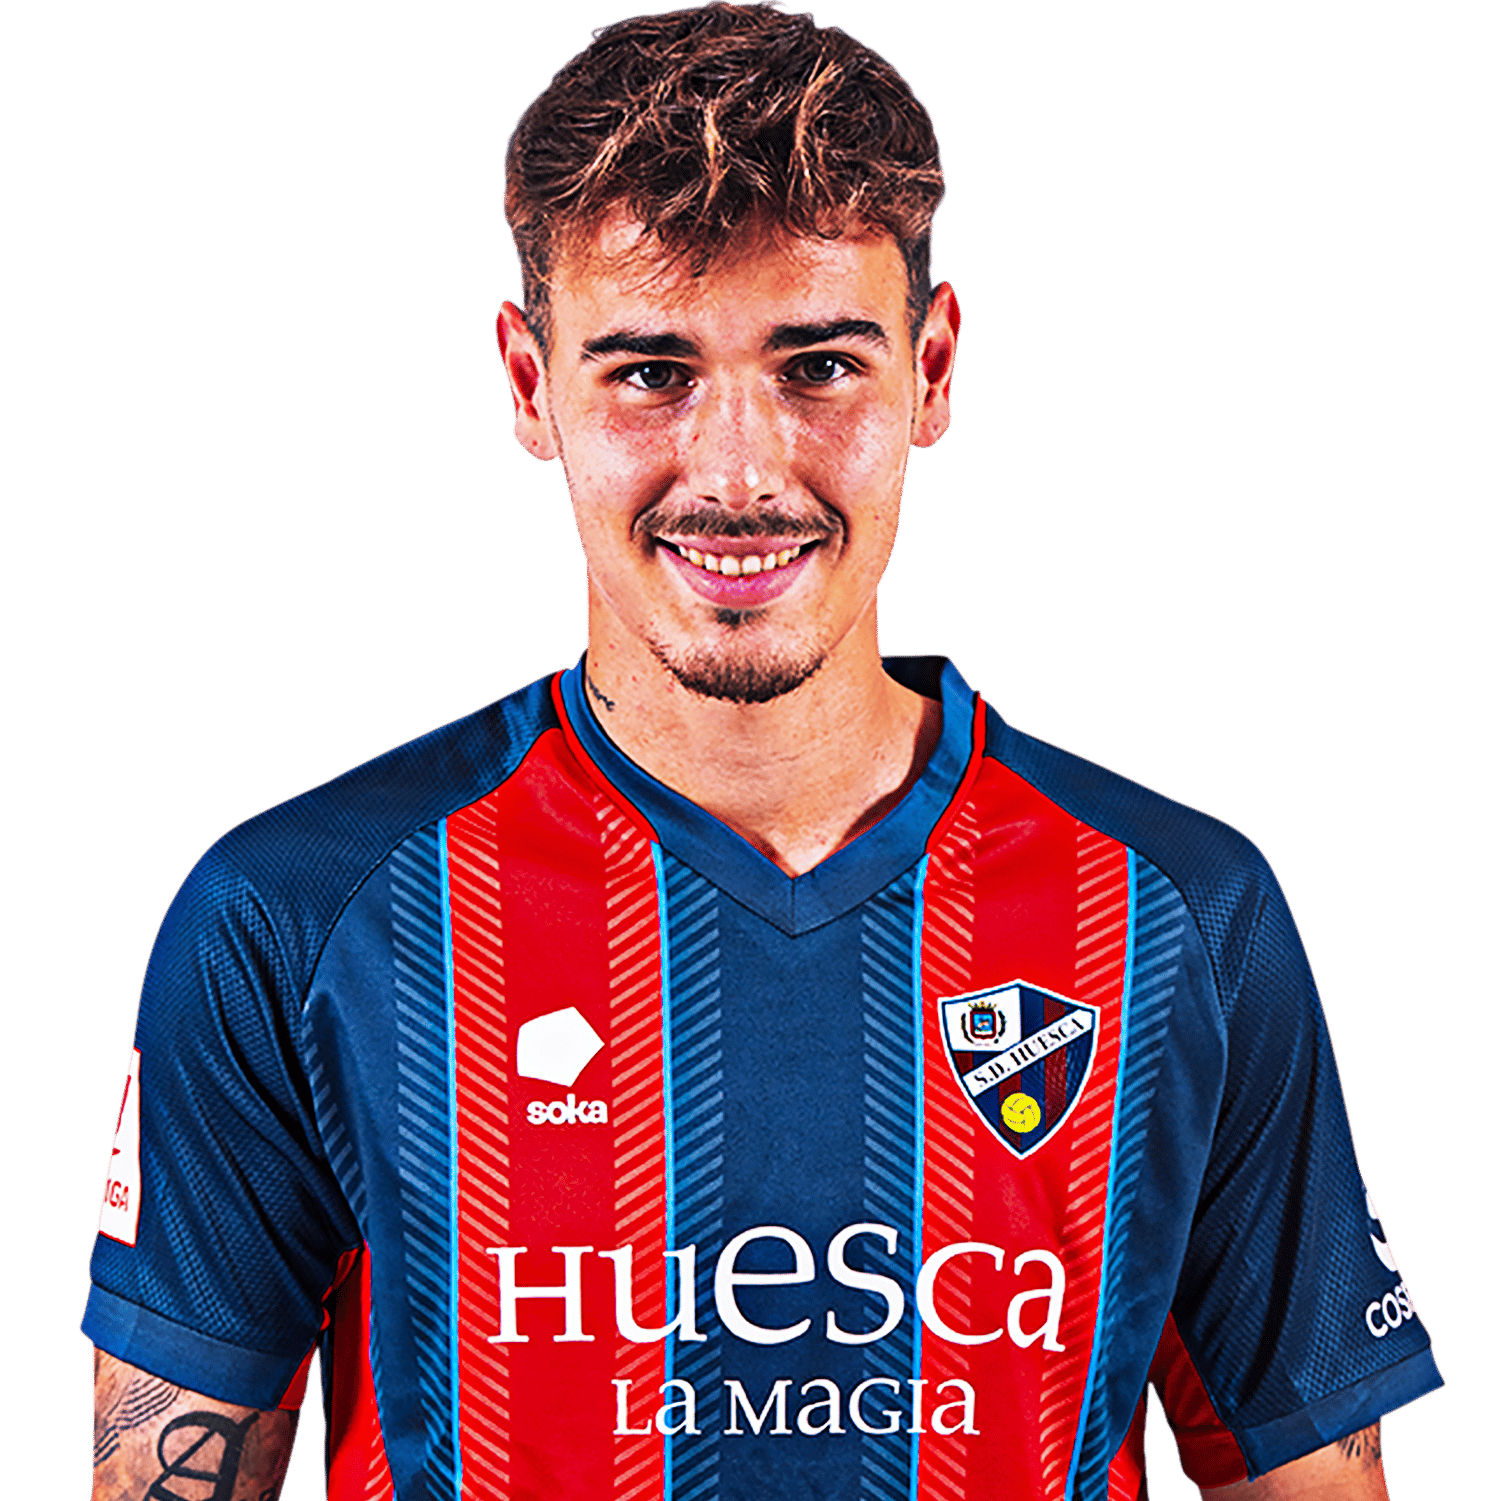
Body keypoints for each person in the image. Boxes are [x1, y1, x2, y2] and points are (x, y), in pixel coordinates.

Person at [84, 4, 1441, 1498]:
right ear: (532, 386)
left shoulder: (1185, 914)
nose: (738, 472)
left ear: (931, 369)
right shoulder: (293, 915)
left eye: (819, 367)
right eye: (650, 372)